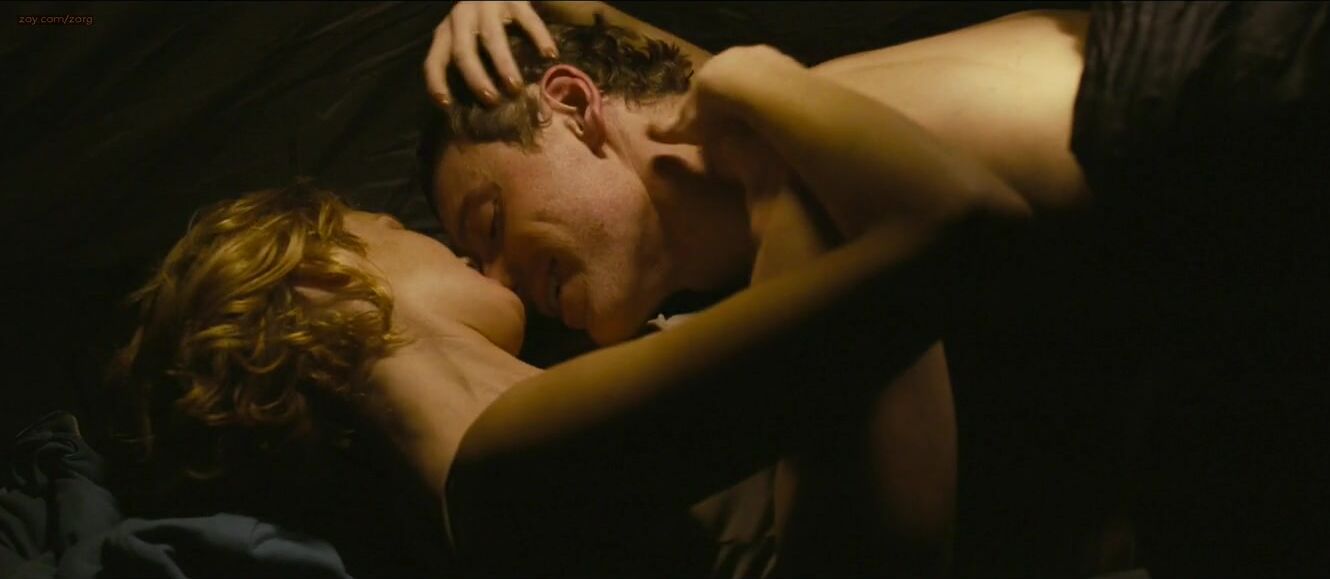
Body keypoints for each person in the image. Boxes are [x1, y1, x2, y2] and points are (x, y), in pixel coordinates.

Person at [422, 2, 1330, 577]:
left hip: (1228, 91)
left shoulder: (780, 149)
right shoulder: (785, 163)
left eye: (490, 224)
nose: (506, 283)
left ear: (572, 104)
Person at [110, 36, 1026, 577]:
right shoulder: (499, 473)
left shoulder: (514, 458)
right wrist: (762, 85)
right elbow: (962, 232)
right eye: (389, 224)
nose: (479, 263)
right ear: (321, 280)